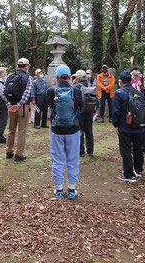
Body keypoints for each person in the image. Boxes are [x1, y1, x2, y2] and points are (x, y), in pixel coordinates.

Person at [47, 65, 83, 199]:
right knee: (73, 159)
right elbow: (81, 108)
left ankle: (59, 189)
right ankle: (72, 189)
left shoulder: (51, 90)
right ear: (69, 77)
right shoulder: (76, 91)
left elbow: (49, 106)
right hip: (73, 130)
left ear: (56, 77)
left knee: (57, 160)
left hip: (57, 130)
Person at [112, 71, 145, 183]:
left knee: (126, 150)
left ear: (121, 81)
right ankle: (138, 170)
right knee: (138, 149)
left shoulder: (119, 93)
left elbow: (116, 111)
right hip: (138, 125)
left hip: (125, 126)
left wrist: (116, 124)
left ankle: (129, 174)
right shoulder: (139, 93)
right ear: (131, 81)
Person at [4, 58, 33, 161]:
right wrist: (19, 104)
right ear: (27, 67)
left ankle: (9, 151)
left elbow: (5, 92)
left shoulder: (9, 77)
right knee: (22, 131)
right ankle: (19, 154)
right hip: (23, 107)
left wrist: (9, 105)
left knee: (11, 130)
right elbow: (27, 93)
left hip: (11, 107)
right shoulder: (28, 78)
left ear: (17, 66)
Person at [72, 69, 95, 157]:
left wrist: (73, 85)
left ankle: (81, 151)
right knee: (89, 131)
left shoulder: (76, 87)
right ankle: (90, 150)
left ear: (78, 78)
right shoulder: (90, 85)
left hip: (80, 112)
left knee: (80, 131)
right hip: (89, 112)